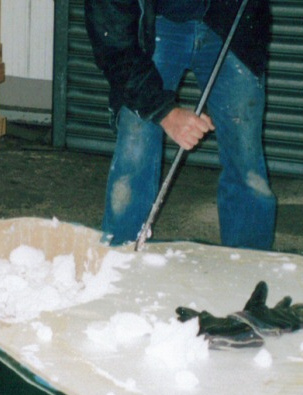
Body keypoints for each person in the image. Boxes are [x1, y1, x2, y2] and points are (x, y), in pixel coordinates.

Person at [84, 0, 276, 249]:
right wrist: (165, 113)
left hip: (228, 23)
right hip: (156, 25)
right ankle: (122, 257)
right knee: (135, 149)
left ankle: (251, 265)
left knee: (246, 160)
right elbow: (113, 41)